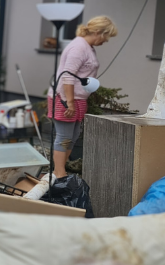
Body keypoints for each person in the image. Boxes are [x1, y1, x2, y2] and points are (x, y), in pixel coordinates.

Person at [47, 15, 116, 178]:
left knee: (74, 136)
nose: (106, 41)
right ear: (98, 32)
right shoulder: (78, 47)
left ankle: (61, 170)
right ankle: (59, 173)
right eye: (107, 36)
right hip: (65, 99)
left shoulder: (88, 47)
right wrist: (69, 102)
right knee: (64, 137)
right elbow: (68, 76)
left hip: (77, 99)